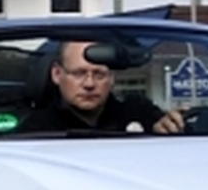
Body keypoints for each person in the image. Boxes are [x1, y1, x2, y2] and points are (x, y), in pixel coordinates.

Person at [18, 39, 185, 134]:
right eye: (78, 73)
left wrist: (167, 129)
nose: (89, 84)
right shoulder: (36, 131)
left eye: (99, 74)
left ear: (112, 77)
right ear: (56, 74)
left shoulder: (138, 112)